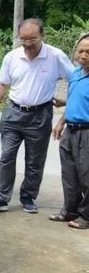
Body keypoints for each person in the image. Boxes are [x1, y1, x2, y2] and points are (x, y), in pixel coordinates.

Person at [0, 18, 74, 214]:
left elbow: (76, 79)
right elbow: (1, 84)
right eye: (23, 40)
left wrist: (67, 103)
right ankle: (0, 198)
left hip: (40, 115)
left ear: (42, 36)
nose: (27, 45)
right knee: (7, 156)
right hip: (13, 112)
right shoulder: (12, 57)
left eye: (32, 40)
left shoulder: (55, 56)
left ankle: (28, 196)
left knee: (35, 160)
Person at [50, 33, 89, 229]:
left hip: (87, 132)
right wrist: (60, 123)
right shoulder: (75, 73)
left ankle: (86, 216)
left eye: (88, 52)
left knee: (86, 176)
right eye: (80, 50)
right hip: (70, 130)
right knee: (69, 174)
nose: (83, 55)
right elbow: (74, 101)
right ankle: (70, 210)